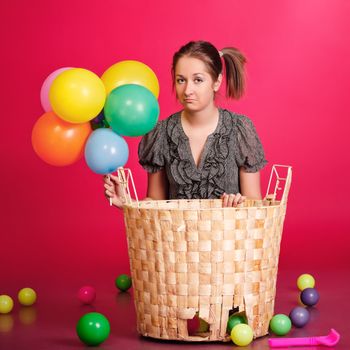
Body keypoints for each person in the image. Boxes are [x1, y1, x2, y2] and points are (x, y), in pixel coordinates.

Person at [104, 40, 267, 208]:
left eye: (198, 80)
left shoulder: (239, 129)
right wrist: (127, 203)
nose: (187, 90)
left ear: (217, 82)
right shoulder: (161, 133)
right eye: (181, 80)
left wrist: (239, 204)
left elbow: (256, 203)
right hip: (175, 234)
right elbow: (155, 204)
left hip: (229, 233)